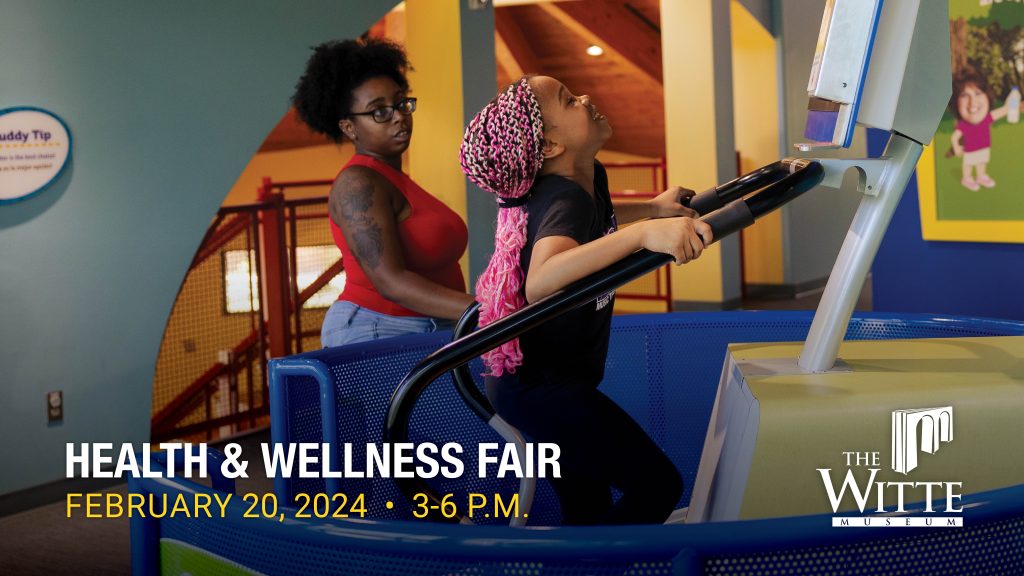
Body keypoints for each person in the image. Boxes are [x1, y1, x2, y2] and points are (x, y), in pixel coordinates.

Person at [460, 75, 712, 525]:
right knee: (656, 485)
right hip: (539, 389)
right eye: (569, 100)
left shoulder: (588, 179)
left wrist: (653, 211)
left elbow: (601, 222)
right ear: (552, 145)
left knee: (587, 506)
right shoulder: (563, 198)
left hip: (543, 383)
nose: (586, 98)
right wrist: (643, 235)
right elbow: (542, 280)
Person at [292, 38, 475, 347]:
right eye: (379, 111)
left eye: (401, 103)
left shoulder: (395, 179)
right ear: (349, 127)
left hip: (429, 327)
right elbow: (389, 281)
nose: (399, 116)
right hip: (379, 328)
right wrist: (486, 310)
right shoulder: (358, 183)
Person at [949, 70, 1022, 191]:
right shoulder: (964, 125)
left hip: (984, 147)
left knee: (982, 162)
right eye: (964, 95)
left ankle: (981, 176)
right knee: (968, 164)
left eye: (977, 93)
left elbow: (1004, 110)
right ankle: (966, 178)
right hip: (970, 149)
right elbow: (954, 137)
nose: (972, 102)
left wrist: (1011, 103)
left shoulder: (986, 119)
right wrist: (956, 147)